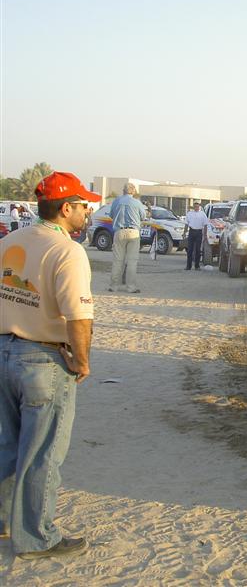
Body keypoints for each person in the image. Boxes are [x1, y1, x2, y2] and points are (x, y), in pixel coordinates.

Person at [0, 171, 99, 560]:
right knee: (43, 452)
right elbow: (79, 315)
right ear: (66, 208)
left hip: (3, 351)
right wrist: (81, 360)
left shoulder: (10, 241)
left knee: (8, 445)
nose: (87, 212)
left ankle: (4, 520)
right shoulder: (67, 251)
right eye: (83, 205)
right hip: (42, 359)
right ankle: (37, 537)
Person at [109, 183, 147, 293]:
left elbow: (111, 215)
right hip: (133, 232)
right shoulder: (137, 202)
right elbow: (143, 216)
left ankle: (114, 286)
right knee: (132, 261)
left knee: (117, 261)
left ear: (123, 191)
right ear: (133, 191)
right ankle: (131, 287)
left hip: (119, 231)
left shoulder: (117, 201)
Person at [183, 201, 209, 270]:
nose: (196, 207)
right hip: (191, 232)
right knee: (190, 250)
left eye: (197, 206)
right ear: (193, 206)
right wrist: (184, 232)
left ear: (199, 206)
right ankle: (188, 266)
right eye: (195, 206)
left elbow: (205, 225)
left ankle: (197, 266)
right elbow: (186, 224)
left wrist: (205, 235)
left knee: (198, 250)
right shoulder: (189, 214)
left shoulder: (202, 214)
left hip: (199, 232)